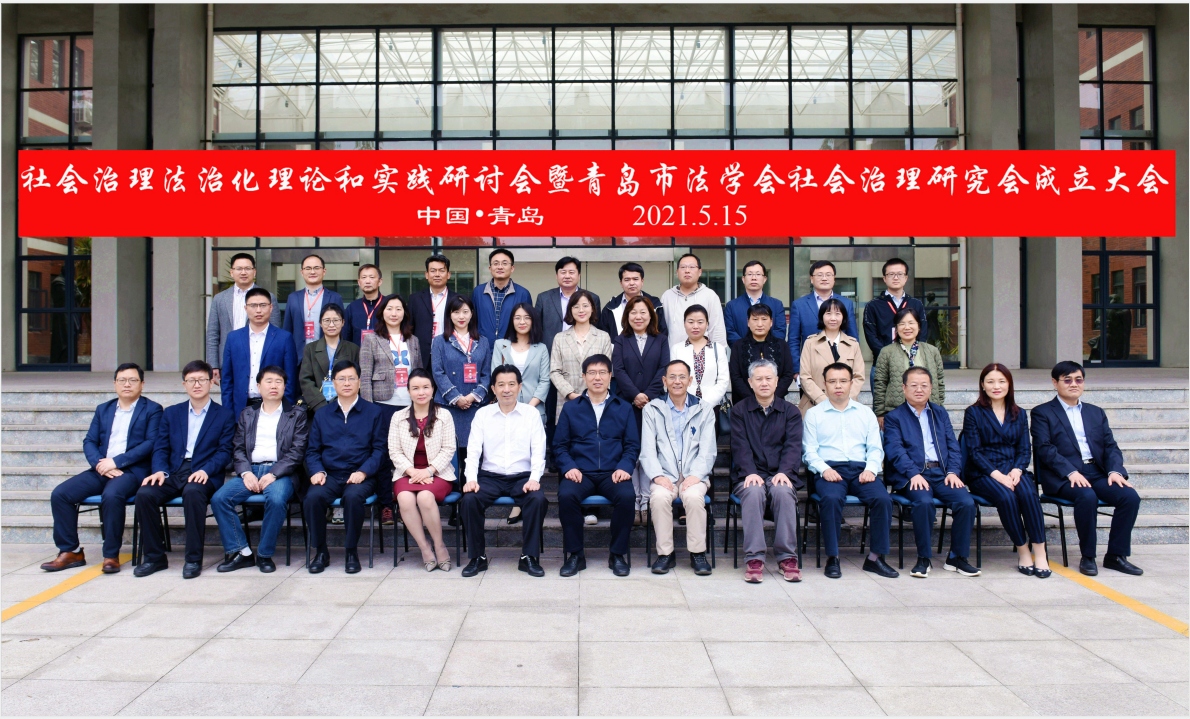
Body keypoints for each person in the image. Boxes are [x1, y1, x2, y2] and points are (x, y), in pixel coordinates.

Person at [43, 363, 163, 574]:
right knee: (61, 494)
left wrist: (116, 462)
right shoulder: (104, 409)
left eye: (133, 380)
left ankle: (111, 555)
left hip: (131, 471)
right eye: (122, 380)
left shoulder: (152, 409)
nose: (127, 384)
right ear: (115, 383)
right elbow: (89, 441)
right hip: (101, 468)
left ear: (142, 384)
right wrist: (100, 464)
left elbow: (151, 443)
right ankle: (71, 551)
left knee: (112, 494)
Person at [1031, 361, 1142, 577]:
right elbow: (1044, 448)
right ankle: (1088, 556)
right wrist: (1070, 472)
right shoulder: (1042, 412)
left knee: (1129, 497)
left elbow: (1110, 446)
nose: (1074, 384)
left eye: (1078, 379)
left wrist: (1115, 471)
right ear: (1055, 383)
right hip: (1064, 477)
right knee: (1087, 496)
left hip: (1096, 473)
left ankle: (1116, 556)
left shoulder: (1095, 412)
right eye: (1067, 380)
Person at [133, 360, 236, 579]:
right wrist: (160, 470)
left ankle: (193, 559)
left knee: (193, 493)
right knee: (144, 494)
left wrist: (206, 470)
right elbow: (161, 447)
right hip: (174, 471)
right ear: (184, 384)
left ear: (211, 382)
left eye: (201, 380)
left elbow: (225, 451)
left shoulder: (224, 415)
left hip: (205, 473)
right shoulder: (172, 413)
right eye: (191, 380)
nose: (196, 384)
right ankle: (154, 558)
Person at [802, 363, 896, 579]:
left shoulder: (865, 413)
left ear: (851, 383)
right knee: (831, 499)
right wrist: (824, 469)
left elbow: (875, 448)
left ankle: (875, 558)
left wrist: (871, 469)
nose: (838, 386)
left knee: (883, 499)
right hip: (830, 470)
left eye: (843, 381)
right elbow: (809, 451)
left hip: (861, 470)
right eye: (832, 381)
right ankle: (833, 558)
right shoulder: (814, 414)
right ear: (824, 384)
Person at [210, 365, 307, 573]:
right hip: (251, 470)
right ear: (258, 386)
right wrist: (245, 473)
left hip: (281, 473)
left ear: (285, 387)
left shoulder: (296, 415)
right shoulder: (248, 414)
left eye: (279, 382)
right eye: (268, 381)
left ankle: (264, 554)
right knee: (220, 499)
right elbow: (238, 448)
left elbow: (297, 451)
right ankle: (242, 552)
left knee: (277, 499)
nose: (274, 386)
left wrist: (274, 473)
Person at [884, 366, 979, 578]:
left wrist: (953, 471)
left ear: (931, 388)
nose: (919, 389)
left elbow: (953, 446)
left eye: (924, 385)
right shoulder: (894, 417)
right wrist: (912, 473)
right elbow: (895, 450)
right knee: (924, 502)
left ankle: (957, 558)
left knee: (966, 502)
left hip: (942, 474)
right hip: (913, 476)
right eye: (914, 385)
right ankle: (924, 559)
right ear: (904, 388)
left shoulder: (939, 413)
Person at [460, 365, 549, 578]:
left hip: (522, 476)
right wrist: (471, 479)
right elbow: (473, 450)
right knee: (469, 500)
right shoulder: (483, 414)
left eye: (511, 384)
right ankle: (477, 557)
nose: (506, 389)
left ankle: (529, 557)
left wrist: (534, 478)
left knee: (537, 499)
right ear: (493, 388)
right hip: (490, 477)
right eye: (501, 385)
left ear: (519, 386)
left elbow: (539, 449)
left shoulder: (531, 414)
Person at [554, 355, 640, 577]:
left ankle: (617, 555)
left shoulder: (623, 407)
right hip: (581, 473)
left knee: (627, 497)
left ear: (610, 376)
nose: (597, 378)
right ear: (583, 377)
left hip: (613, 473)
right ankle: (576, 555)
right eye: (592, 373)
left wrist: (624, 467)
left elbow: (632, 445)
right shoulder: (571, 408)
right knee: (566, 495)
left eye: (602, 372)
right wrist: (569, 467)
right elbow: (560, 446)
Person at [963, 363, 1050, 578]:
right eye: (990, 381)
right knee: (1006, 497)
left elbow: (1024, 448)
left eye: (1001, 381)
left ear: (1009, 384)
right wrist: (998, 475)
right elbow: (974, 452)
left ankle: (1040, 552)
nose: (996, 386)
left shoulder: (1019, 413)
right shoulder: (973, 413)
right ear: (982, 385)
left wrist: (1017, 470)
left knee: (1028, 494)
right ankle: (1023, 550)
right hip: (984, 472)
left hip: (1013, 469)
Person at [303, 360, 387, 574]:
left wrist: (363, 472)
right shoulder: (322, 414)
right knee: (313, 497)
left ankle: (351, 552)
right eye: (341, 379)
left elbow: (379, 450)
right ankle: (321, 552)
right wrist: (317, 471)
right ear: (333, 383)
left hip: (361, 475)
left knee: (352, 497)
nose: (347, 383)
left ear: (359, 382)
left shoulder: (373, 412)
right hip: (330, 475)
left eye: (351, 378)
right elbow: (312, 451)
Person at [640, 359, 717, 575]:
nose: (677, 381)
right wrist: (657, 475)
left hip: (694, 474)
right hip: (664, 474)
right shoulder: (652, 409)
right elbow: (648, 449)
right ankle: (665, 554)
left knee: (693, 497)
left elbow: (708, 449)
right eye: (672, 377)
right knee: (658, 497)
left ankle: (698, 553)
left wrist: (697, 475)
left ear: (690, 380)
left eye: (682, 377)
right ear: (664, 381)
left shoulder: (704, 409)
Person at [730, 359, 804, 583]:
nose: (764, 383)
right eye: (759, 379)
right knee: (753, 492)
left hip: (780, 473)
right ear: (750, 382)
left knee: (783, 491)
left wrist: (785, 472)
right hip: (749, 474)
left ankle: (787, 557)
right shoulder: (739, 410)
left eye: (768, 378)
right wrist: (749, 472)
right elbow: (740, 446)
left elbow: (793, 446)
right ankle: (754, 558)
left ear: (777, 381)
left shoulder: (790, 411)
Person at [360, 294, 424, 524]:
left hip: (409, 406)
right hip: (382, 406)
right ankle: (386, 505)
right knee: (385, 456)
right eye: (390, 308)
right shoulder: (371, 339)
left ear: (404, 313)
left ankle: (410, 503)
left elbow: (419, 372)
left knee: (411, 455)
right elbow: (365, 376)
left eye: (398, 309)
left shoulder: (413, 340)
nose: (394, 313)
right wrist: (368, 409)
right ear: (382, 313)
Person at [389, 369, 457, 572]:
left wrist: (428, 471)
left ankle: (439, 545)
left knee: (425, 497)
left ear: (433, 389)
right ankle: (425, 548)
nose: (421, 392)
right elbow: (394, 451)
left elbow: (449, 449)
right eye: (416, 388)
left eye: (426, 387)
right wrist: (412, 472)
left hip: (438, 472)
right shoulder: (398, 417)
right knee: (405, 499)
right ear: (408, 391)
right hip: (407, 473)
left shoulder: (444, 415)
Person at [611, 295, 669, 526]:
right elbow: (619, 370)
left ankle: (647, 502)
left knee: (650, 452)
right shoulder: (620, 340)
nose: (638, 316)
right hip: (627, 405)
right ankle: (635, 503)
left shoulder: (661, 339)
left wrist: (648, 396)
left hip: (654, 405)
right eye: (633, 312)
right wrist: (635, 395)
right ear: (627, 316)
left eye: (643, 312)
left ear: (651, 315)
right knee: (631, 453)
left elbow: (664, 368)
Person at [491, 303, 550, 527]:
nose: (522, 321)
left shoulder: (541, 348)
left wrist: (530, 407)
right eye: (517, 317)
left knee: (531, 454)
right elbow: (496, 375)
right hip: (505, 408)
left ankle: (524, 498)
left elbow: (544, 380)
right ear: (512, 320)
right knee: (511, 452)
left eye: (526, 317)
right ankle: (518, 498)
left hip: (534, 410)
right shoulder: (501, 345)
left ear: (533, 321)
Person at [537, 257, 602, 457]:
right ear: (557, 275)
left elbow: (597, 328)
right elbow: (538, 330)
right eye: (563, 272)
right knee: (553, 414)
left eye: (571, 272)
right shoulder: (543, 298)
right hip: (555, 363)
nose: (567, 276)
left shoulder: (593, 298)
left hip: (587, 365)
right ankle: (555, 456)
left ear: (579, 275)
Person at [431, 296, 491, 484]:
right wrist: (456, 397)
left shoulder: (483, 341)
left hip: (475, 407)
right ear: (449, 315)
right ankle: (453, 495)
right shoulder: (440, 341)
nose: (461, 316)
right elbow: (437, 372)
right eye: (456, 312)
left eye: (465, 311)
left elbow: (487, 374)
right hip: (448, 407)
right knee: (449, 454)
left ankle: (471, 493)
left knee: (473, 453)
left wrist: (473, 397)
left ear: (472, 314)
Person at [220, 287, 299, 419]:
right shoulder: (233, 338)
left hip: (274, 408)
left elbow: (290, 378)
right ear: (245, 308)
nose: (258, 310)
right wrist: (228, 412)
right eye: (253, 306)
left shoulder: (284, 338)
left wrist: (286, 411)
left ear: (271, 307)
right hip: (240, 408)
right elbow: (227, 379)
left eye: (263, 305)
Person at [206, 252, 280, 386]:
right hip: (228, 360)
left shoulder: (268, 297)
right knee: (229, 396)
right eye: (239, 269)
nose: (243, 272)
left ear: (254, 272)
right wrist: (213, 364)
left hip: (260, 359)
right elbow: (212, 333)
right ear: (231, 272)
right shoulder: (220, 299)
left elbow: (275, 333)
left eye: (247, 268)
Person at [872, 307, 946, 427]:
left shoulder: (932, 351)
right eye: (902, 324)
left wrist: (939, 407)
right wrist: (880, 413)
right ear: (896, 328)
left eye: (911, 323)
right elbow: (880, 384)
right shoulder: (886, 352)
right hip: (896, 412)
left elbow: (940, 381)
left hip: (928, 411)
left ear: (919, 326)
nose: (907, 327)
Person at [550, 289, 613, 424]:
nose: (581, 310)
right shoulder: (560, 338)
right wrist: (570, 393)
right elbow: (555, 371)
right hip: (567, 401)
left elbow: (607, 371)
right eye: (576, 306)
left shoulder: (603, 337)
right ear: (570, 310)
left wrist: (594, 394)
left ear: (592, 308)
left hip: (596, 401)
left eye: (585, 305)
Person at [788, 260, 858, 379]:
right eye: (819, 275)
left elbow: (853, 337)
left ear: (834, 278)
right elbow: (793, 340)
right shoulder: (799, 305)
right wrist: (796, 370)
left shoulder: (846, 303)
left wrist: (853, 368)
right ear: (811, 279)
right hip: (810, 368)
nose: (824, 278)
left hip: (841, 366)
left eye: (828, 275)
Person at [798, 298, 866, 415]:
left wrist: (843, 400)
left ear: (843, 317)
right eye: (828, 313)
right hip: (815, 405)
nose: (833, 318)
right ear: (822, 317)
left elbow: (858, 376)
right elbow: (805, 377)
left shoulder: (853, 344)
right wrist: (824, 401)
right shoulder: (810, 343)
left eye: (837, 314)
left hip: (847, 407)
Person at [298, 303, 361, 414]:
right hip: (318, 408)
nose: (331, 325)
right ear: (320, 323)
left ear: (343, 322)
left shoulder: (353, 349)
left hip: (346, 408)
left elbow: (357, 380)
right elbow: (305, 380)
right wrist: (321, 406)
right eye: (327, 320)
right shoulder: (310, 349)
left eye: (336, 320)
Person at [670, 305, 731, 418]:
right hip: (683, 408)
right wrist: (689, 404)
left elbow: (723, 381)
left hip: (712, 407)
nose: (695, 326)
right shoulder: (676, 349)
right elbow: (674, 379)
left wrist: (705, 404)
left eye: (700, 322)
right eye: (691, 322)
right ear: (684, 324)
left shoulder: (718, 349)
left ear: (707, 324)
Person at [728, 303, 795, 405]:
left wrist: (771, 398)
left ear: (771, 322)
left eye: (764, 319)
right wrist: (754, 400)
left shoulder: (782, 345)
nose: (760, 324)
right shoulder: (738, 346)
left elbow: (788, 374)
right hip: (745, 403)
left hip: (776, 402)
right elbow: (735, 376)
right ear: (748, 322)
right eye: (755, 319)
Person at [282, 253, 345, 359]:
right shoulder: (293, 298)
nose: (312, 272)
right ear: (302, 272)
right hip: (299, 357)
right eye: (308, 268)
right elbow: (287, 330)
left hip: (328, 357)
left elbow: (342, 330)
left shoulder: (335, 297)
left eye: (316, 268)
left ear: (324, 271)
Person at [862, 257, 926, 360]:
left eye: (900, 274)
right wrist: (887, 356)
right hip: (882, 362)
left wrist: (912, 354)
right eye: (891, 274)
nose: (895, 278)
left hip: (912, 361)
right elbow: (871, 337)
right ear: (884, 278)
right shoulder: (873, 305)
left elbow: (922, 333)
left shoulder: (916, 304)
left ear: (906, 278)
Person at [660, 253, 726, 345]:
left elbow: (717, 330)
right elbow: (661, 330)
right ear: (677, 272)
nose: (687, 271)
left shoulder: (710, 296)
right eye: (683, 267)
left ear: (700, 272)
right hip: (673, 352)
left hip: (702, 352)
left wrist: (719, 351)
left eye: (692, 267)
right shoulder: (667, 296)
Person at [471, 248, 533, 347]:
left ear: (512, 268)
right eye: (496, 263)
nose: (500, 267)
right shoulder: (478, 292)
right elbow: (472, 321)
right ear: (490, 268)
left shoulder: (523, 293)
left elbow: (528, 324)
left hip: (512, 348)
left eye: (504, 263)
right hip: (483, 348)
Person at [407, 254, 461, 366]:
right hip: (422, 356)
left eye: (441, 271)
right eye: (433, 271)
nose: (437, 274)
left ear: (448, 275)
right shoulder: (415, 299)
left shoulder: (458, 299)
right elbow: (409, 329)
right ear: (426, 275)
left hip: (450, 355)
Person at [724, 260, 787, 345]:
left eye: (758, 274)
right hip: (742, 352)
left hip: (771, 352)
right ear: (743, 279)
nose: (754, 278)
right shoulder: (731, 306)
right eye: (750, 274)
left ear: (764, 279)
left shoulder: (777, 305)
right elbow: (730, 334)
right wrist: (747, 349)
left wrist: (765, 349)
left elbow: (780, 332)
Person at [599, 262, 668, 337]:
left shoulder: (655, 305)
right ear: (621, 283)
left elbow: (662, 333)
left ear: (642, 281)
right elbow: (604, 336)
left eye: (635, 279)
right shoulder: (610, 308)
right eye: (627, 280)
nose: (631, 283)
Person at [342, 263, 384, 346]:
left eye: (372, 277)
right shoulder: (352, 307)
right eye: (364, 277)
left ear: (380, 281)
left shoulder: (388, 305)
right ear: (359, 282)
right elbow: (346, 337)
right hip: (358, 353)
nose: (367, 281)